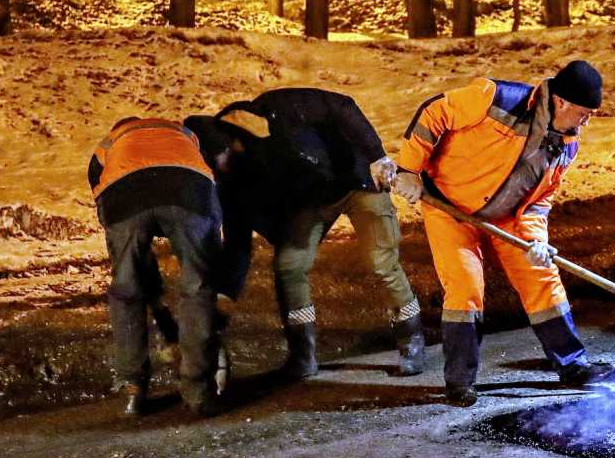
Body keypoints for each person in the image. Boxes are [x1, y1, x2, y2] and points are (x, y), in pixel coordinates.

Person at [394, 60, 614, 406]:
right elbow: (434, 112)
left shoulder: (567, 145)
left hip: (508, 217)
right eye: (585, 113)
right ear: (562, 102)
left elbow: (540, 200)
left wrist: (536, 240)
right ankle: (460, 381)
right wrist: (408, 169)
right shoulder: (496, 99)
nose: (587, 121)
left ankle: (573, 366)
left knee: (541, 276)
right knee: (465, 288)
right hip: (449, 206)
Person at [187, 87, 425, 383]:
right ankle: (303, 354)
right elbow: (238, 244)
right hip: (313, 202)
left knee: (381, 261)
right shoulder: (236, 179)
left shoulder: (278, 106)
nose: (219, 167)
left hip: (359, 181)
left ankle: (411, 341)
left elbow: (343, 106)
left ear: (229, 140)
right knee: (289, 265)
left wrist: (377, 156)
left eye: (219, 157)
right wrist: (225, 295)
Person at [89, 116, 226, 418]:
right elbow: (211, 171)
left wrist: (138, 273)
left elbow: (102, 201)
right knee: (198, 287)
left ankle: (131, 390)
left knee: (126, 292)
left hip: (124, 197)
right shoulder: (183, 133)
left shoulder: (109, 143)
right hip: (188, 191)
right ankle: (198, 392)